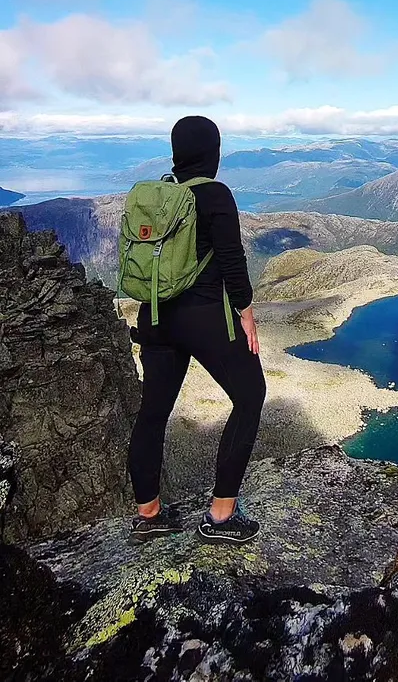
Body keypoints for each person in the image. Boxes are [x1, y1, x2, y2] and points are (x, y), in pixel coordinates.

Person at [127, 115, 266, 546]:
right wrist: (245, 311)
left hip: (154, 314)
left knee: (153, 412)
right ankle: (222, 515)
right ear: (214, 153)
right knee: (250, 395)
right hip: (204, 314)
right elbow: (231, 258)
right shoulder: (215, 194)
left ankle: (148, 513)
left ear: (176, 153)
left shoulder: (159, 196)